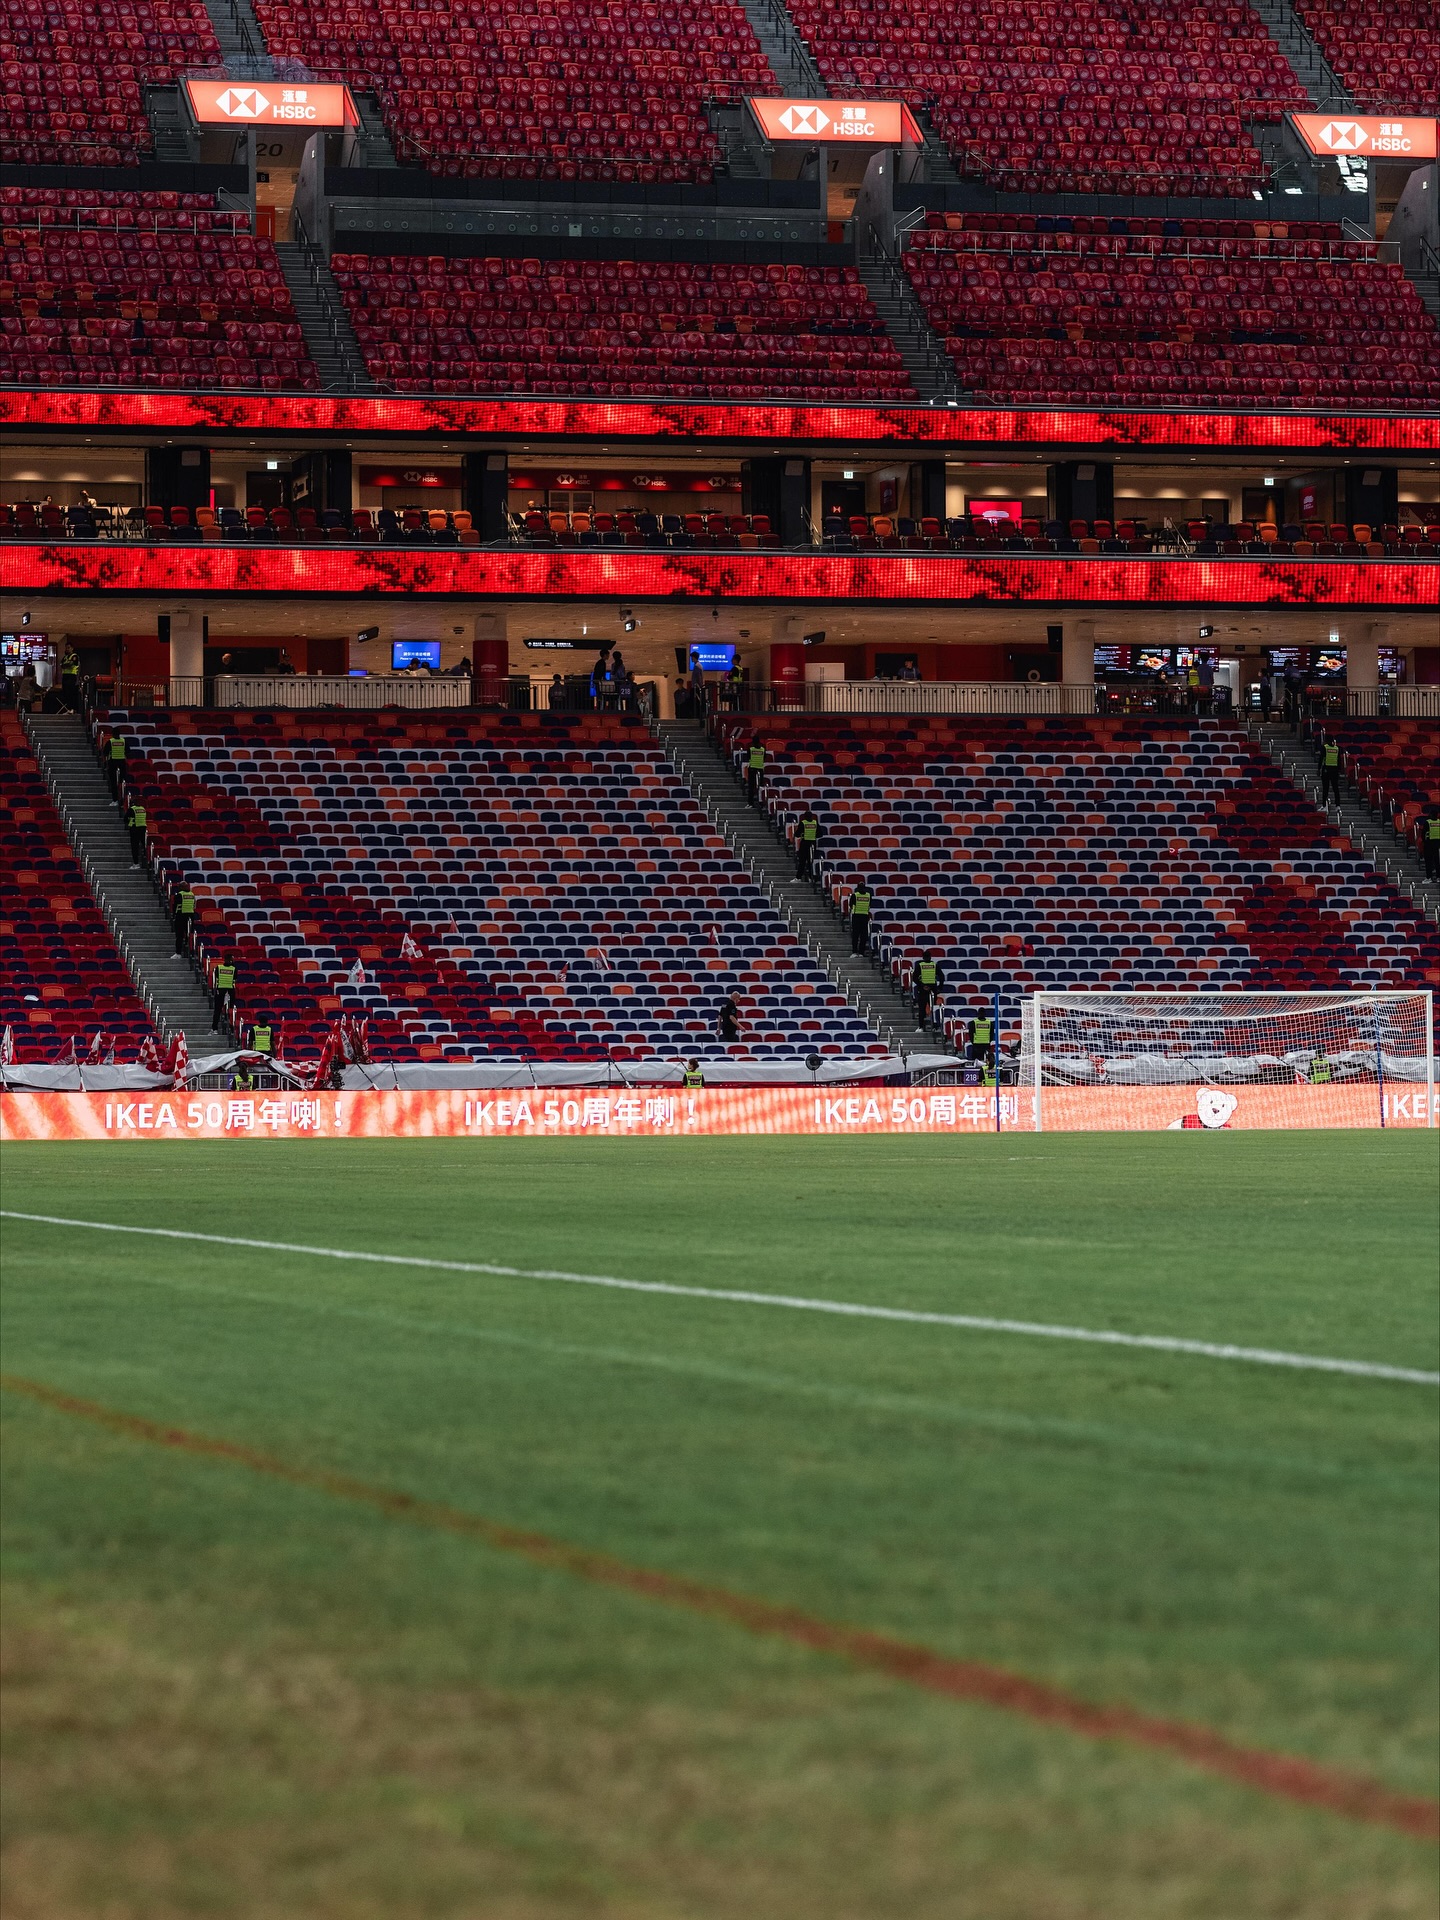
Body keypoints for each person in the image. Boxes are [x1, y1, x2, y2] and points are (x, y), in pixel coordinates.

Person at [913, 950, 944, 1030]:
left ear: (923, 957)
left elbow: (914, 978)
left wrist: (922, 985)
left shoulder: (920, 965)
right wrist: (940, 987)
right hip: (933, 989)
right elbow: (942, 976)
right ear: (930, 957)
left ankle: (921, 1027)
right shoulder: (934, 965)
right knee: (933, 1009)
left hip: (923, 990)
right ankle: (934, 1026)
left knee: (922, 1009)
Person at [211, 954, 236, 1031]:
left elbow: (216, 977)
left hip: (220, 990)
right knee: (230, 1011)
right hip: (230, 991)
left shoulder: (219, 967)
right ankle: (231, 1029)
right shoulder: (234, 969)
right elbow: (235, 979)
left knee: (217, 1010)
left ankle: (214, 1029)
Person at [848, 880, 873, 954]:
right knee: (863, 936)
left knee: (856, 936)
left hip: (856, 916)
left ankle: (854, 951)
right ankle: (861, 952)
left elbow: (850, 905)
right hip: (865, 917)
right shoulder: (868, 896)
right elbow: (870, 905)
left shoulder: (854, 895)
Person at [795, 804, 820, 879]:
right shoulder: (815, 823)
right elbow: (820, 834)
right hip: (812, 844)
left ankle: (799, 877)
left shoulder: (803, 823)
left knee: (802, 861)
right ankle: (810, 877)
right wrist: (814, 835)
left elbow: (797, 834)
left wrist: (801, 834)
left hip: (804, 843)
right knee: (810, 862)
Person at [173, 882, 197, 956]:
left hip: (181, 916)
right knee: (189, 936)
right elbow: (194, 905)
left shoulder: (179, 895)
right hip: (190, 916)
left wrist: (174, 915)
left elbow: (175, 905)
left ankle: (178, 953)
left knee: (179, 936)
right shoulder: (192, 894)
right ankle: (189, 952)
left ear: (181, 887)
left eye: (180, 886)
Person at [104, 727, 127, 800]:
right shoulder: (124, 741)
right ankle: (122, 798)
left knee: (113, 783)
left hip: (113, 763)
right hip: (122, 763)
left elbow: (105, 752)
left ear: (112, 734)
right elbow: (128, 752)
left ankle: (115, 800)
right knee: (122, 783)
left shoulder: (110, 742)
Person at [125, 795, 147, 868]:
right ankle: (146, 862)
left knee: (135, 847)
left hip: (135, 829)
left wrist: (129, 822)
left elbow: (125, 819)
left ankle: (136, 863)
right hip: (143, 829)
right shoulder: (143, 809)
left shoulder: (131, 809)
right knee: (144, 846)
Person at [1319, 735, 1341, 806]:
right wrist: (1339, 770)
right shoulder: (1337, 748)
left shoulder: (1324, 747)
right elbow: (1339, 761)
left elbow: (1321, 759)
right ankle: (1338, 805)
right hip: (1335, 770)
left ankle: (1324, 805)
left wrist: (1319, 769)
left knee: (1325, 788)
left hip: (1326, 769)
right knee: (1335, 788)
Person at [745, 737, 765, 804]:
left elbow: (748, 758)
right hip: (760, 769)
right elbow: (764, 758)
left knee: (751, 787)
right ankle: (761, 803)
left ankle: (750, 803)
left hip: (752, 769)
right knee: (761, 787)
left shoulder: (750, 749)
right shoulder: (763, 749)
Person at [1424, 806, 1440, 881]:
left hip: (1429, 844)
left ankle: (1429, 877)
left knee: (1429, 862)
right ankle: (1438, 877)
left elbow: (1424, 834)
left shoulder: (1427, 822)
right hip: (1438, 844)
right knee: (1437, 862)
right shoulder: (1439, 822)